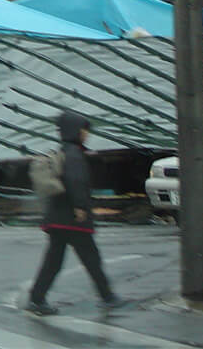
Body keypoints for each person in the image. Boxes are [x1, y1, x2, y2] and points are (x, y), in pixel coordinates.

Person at [26, 111, 124, 316]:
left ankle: (37, 298)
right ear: (75, 131)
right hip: (72, 218)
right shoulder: (74, 155)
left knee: (55, 261)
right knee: (90, 258)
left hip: (58, 218)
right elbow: (76, 182)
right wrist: (80, 207)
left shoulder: (64, 151)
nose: (86, 134)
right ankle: (108, 297)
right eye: (84, 130)